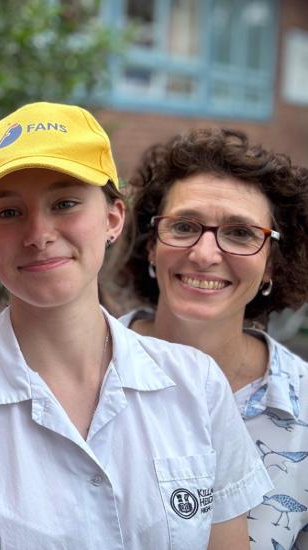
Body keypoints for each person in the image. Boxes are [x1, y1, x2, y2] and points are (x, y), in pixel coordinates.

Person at [0, 102, 273, 549]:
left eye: (65, 203)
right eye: (9, 212)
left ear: (113, 218)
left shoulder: (197, 385)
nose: (39, 233)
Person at [115, 128, 308, 549]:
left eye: (240, 233)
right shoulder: (80, 370)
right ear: (151, 247)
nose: (204, 255)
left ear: (272, 265)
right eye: (184, 226)